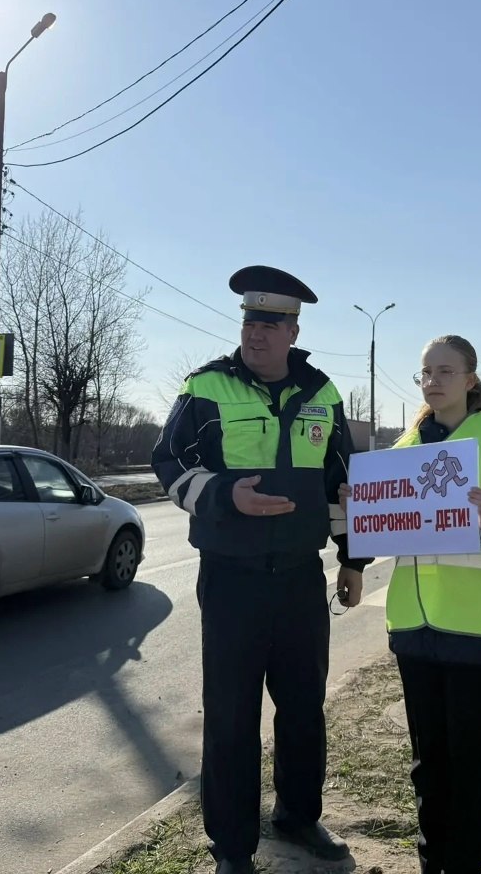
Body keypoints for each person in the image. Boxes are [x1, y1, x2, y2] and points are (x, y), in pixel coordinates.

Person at [150, 266, 362, 874]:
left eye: (271, 323)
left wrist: (351, 560)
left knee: (302, 709)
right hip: (232, 579)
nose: (257, 333)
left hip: (300, 578)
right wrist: (223, 497)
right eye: (250, 321)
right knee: (231, 715)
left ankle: (298, 817)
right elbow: (169, 462)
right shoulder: (207, 387)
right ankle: (233, 848)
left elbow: (342, 486)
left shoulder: (323, 394)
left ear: (294, 330)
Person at [343, 335, 481, 874]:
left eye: (446, 371)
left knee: (468, 761)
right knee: (427, 763)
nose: (434, 380)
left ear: (470, 379)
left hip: (475, 629)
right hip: (416, 626)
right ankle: (433, 863)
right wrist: (358, 523)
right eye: (426, 372)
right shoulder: (404, 449)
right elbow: (380, 532)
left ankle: (466, 864)